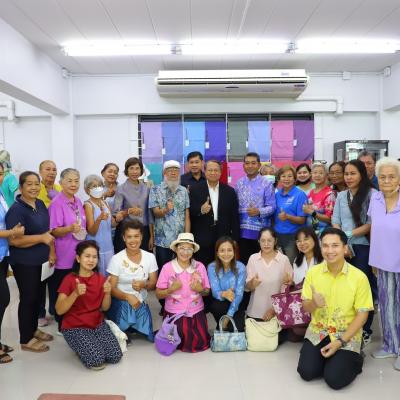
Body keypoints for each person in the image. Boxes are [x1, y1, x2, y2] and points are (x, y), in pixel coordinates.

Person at [297, 228, 373, 390]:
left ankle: (356, 357)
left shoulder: (359, 277)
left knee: (334, 380)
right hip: (319, 331)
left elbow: (362, 316)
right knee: (306, 372)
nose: (330, 251)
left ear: (345, 248)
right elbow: (305, 306)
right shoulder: (313, 273)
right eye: (325, 246)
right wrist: (314, 304)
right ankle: (333, 360)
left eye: (335, 245)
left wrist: (340, 342)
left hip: (346, 335)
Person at [5, 171, 56, 352]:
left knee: (38, 297)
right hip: (25, 262)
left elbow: (47, 232)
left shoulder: (40, 204)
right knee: (28, 298)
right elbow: (14, 241)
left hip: (42, 261)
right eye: (29, 184)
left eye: (36, 184)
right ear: (21, 187)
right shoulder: (16, 210)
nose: (34, 187)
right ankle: (26, 339)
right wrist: (40, 238)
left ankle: (33, 329)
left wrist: (51, 252)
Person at [56, 240, 122, 370]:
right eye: (87, 256)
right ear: (78, 258)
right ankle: (80, 348)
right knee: (97, 360)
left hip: (96, 323)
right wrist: (75, 293)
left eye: (94, 257)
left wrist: (108, 293)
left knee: (115, 356)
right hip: (75, 326)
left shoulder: (101, 278)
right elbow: (59, 310)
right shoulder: (69, 279)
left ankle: (89, 344)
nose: (91, 260)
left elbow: (105, 308)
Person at [332, 159, 376, 345]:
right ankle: (347, 327)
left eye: (353, 173)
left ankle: (365, 330)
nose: (348, 177)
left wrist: (348, 235)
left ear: (362, 175)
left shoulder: (372, 194)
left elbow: (370, 224)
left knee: (363, 289)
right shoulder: (342, 195)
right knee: (344, 287)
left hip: (363, 247)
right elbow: (335, 220)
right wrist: (342, 242)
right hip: (343, 248)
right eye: (346, 174)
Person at [368, 157, 400, 370]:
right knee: (386, 306)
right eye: (382, 177)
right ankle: (390, 345)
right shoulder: (375, 198)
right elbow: (374, 229)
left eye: (392, 176)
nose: (387, 181)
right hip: (382, 262)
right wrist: (374, 258)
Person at [156, 233, 210, 352]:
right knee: (172, 340)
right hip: (174, 313)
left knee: (199, 342)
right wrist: (171, 289)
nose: (185, 252)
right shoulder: (167, 268)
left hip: (196, 312)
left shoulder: (200, 267)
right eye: (182, 248)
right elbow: (158, 294)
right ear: (176, 249)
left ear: (193, 251)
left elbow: (207, 292)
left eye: (189, 249)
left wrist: (200, 289)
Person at [107, 220, 158, 343]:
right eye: (129, 237)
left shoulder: (150, 257)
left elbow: (153, 283)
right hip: (120, 301)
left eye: (136, 236)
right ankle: (124, 327)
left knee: (147, 331)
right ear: (124, 238)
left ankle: (130, 328)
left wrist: (144, 284)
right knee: (126, 308)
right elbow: (111, 289)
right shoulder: (116, 259)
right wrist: (127, 296)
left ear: (141, 237)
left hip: (140, 300)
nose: (133, 240)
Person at [49, 168, 86, 331]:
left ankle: (73, 320)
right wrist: (70, 228)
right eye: (69, 181)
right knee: (61, 289)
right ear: (61, 182)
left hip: (77, 254)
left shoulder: (78, 201)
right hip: (63, 255)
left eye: (76, 181)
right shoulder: (57, 203)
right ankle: (61, 323)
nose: (73, 184)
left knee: (74, 289)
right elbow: (53, 231)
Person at [189, 160, 239, 267]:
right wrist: (201, 210)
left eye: (216, 170)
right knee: (203, 266)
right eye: (210, 170)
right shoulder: (194, 190)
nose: (213, 173)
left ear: (220, 172)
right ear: (205, 172)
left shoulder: (230, 191)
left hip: (223, 236)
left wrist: (234, 239)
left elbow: (234, 217)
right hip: (202, 237)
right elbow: (190, 212)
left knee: (223, 266)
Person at [0, 163, 25, 364]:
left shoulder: (1, 194)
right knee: (3, 298)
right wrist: (12, 232)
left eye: (1, 173)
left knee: (2, 299)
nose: (0, 177)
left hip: (3, 253)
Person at [149, 160, 190, 271]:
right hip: (163, 241)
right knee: (164, 270)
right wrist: (166, 210)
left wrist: (186, 238)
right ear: (164, 173)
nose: (173, 173)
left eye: (176, 170)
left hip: (180, 240)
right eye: (170, 170)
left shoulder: (183, 191)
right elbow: (155, 213)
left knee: (181, 269)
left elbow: (187, 216)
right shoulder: (155, 190)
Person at [246, 228, 293, 325]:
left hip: (278, 313)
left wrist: (275, 309)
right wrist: (252, 283)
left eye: (269, 240)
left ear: (275, 241)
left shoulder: (283, 259)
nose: (266, 244)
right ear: (258, 241)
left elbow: (289, 288)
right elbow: (247, 287)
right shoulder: (253, 258)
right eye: (263, 241)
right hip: (255, 313)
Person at [235, 152, 276, 264]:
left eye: (253, 163)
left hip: (261, 234)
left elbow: (272, 207)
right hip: (242, 233)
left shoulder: (266, 183)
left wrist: (259, 211)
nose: (250, 166)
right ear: (243, 165)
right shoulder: (239, 183)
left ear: (259, 165)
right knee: (245, 264)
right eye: (247, 163)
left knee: (262, 265)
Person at [37, 160, 61, 327]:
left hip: (58, 239)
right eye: (47, 169)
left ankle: (54, 308)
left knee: (55, 278)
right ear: (40, 172)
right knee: (41, 279)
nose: (51, 172)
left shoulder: (59, 188)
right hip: (40, 239)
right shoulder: (35, 189)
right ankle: (39, 313)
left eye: (54, 169)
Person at [113, 157, 154, 253]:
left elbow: (149, 215)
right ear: (126, 170)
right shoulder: (121, 189)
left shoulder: (146, 189)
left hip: (144, 231)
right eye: (131, 168)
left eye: (137, 168)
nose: (134, 172)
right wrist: (129, 211)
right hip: (126, 231)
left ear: (141, 171)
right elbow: (116, 214)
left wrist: (152, 236)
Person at [207, 237, 246, 332]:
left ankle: (224, 325)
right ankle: (221, 326)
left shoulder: (241, 267)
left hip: (236, 302)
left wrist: (228, 317)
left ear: (234, 252)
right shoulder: (211, 267)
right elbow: (215, 292)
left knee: (238, 330)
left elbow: (239, 294)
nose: (226, 254)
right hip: (220, 302)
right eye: (222, 250)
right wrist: (225, 294)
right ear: (217, 253)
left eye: (229, 250)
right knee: (216, 306)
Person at [274, 165, 307, 263]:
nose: (286, 179)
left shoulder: (300, 194)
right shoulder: (276, 194)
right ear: (279, 178)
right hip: (277, 236)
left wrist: (288, 216)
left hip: (293, 237)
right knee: (279, 265)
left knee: (291, 265)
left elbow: (302, 220)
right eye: (283, 176)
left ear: (294, 178)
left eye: (289, 176)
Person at [84, 174, 114, 276]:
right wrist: (99, 219)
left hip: (108, 246)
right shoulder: (88, 205)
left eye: (99, 185)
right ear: (87, 190)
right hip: (95, 246)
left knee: (109, 277)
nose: (98, 188)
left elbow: (112, 224)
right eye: (94, 186)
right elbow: (91, 231)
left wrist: (120, 217)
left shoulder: (105, 203)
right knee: (96, 278)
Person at [302, 163, 336, 235]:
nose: (317, 175)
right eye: (315, 172)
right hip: (310, 233)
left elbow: (329, 218)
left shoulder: (329, 194)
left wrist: (312, 212)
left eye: (321, 173)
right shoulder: (311, 192)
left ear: (326, 175)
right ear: (311, 175)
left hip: (323, 233)